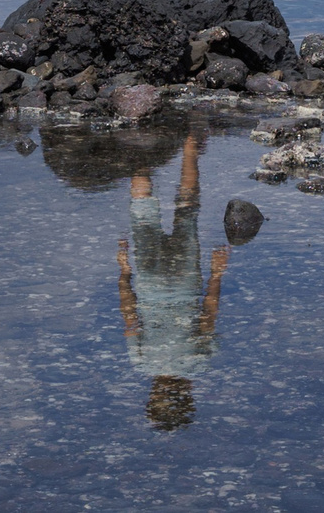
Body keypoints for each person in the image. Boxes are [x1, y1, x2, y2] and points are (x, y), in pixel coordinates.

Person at [115, 130, 229, 431]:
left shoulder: (198, 364)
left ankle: (189, 145)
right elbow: (130, 315)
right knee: (142, 213)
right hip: (150, 282)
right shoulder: (141, 363)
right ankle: (141, 141)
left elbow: (209, 314)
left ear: (188, 395)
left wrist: (216, 273)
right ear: (153, 394)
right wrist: (125, 273)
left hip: (184, 282)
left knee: (187, 212)